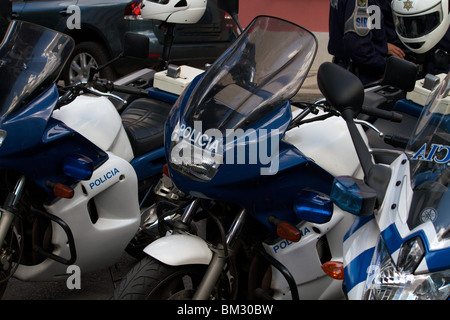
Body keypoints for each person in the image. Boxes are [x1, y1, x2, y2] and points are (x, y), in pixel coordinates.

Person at [328, 0, 404, 85]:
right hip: (361, 74)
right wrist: (383, 68)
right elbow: (358, 46)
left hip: (345, 69)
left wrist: (381, 46)